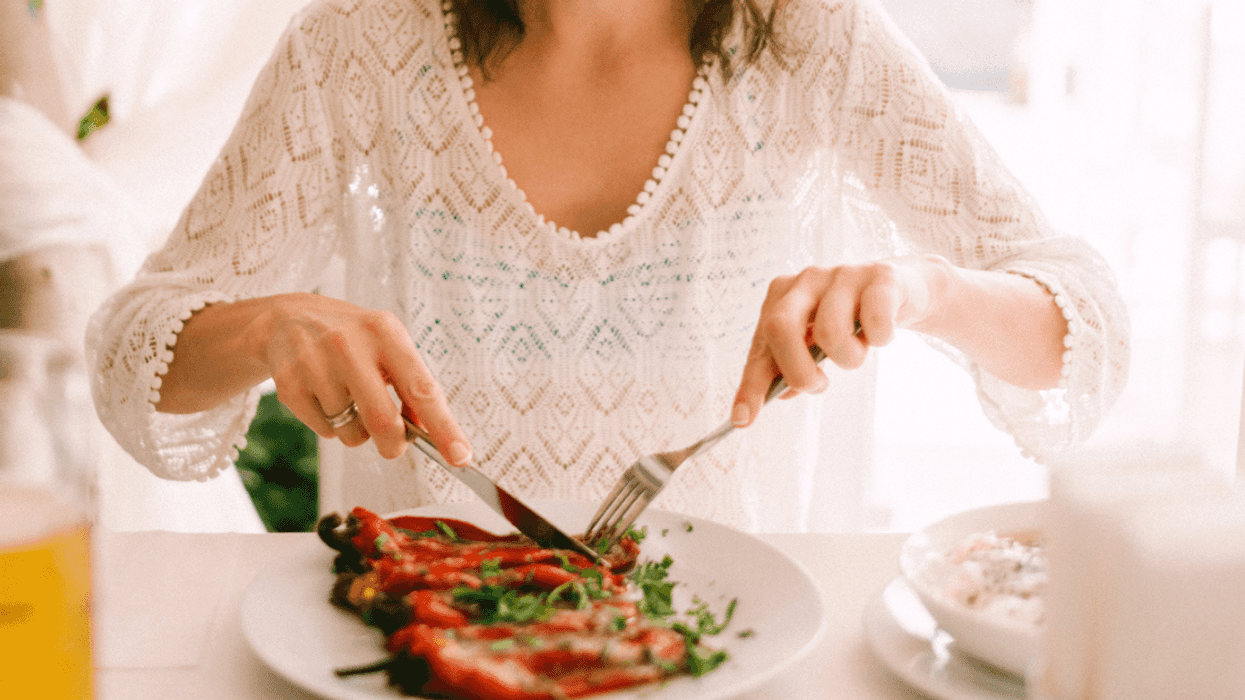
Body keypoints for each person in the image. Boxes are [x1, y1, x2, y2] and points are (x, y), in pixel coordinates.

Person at [86, 0, 1130, 531]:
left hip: (733, 656)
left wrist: (923, 288)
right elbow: (130, 356)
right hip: (422, 656)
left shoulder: (809, 39)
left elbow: (1084, 333)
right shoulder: (358, 45)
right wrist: (270, 329)